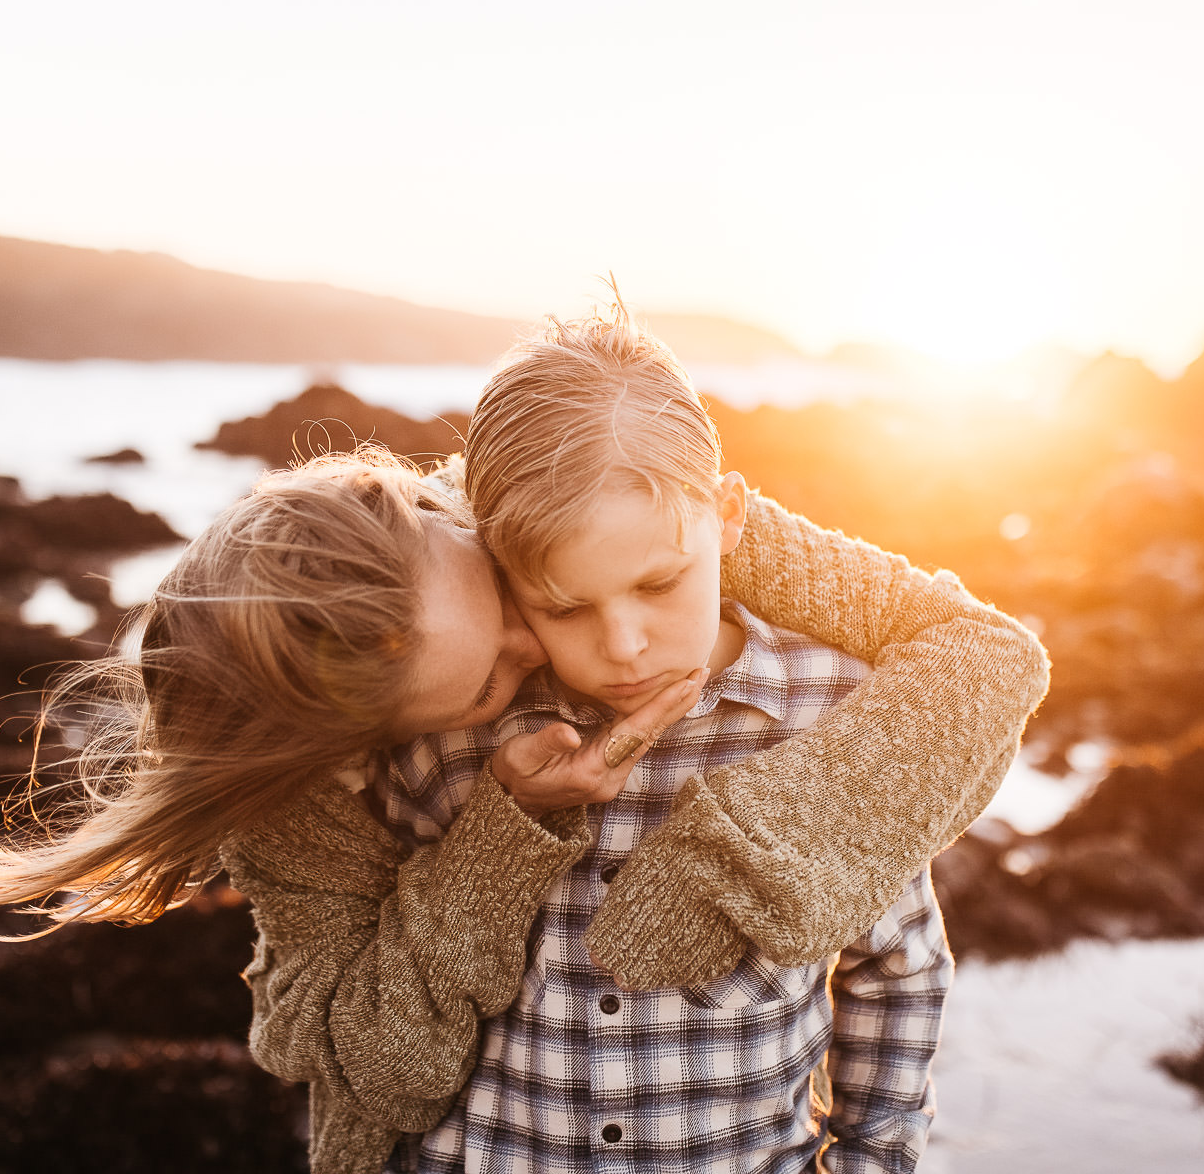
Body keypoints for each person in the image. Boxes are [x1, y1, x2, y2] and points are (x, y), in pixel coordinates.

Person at [0, 365, 1049, 1171]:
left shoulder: (621, 536)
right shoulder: (375, 778)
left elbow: (969, 664)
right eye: (517, 648)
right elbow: (376, 1068)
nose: (587, 653)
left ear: (457, 521)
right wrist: (501, 829)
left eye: (506, 605)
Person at [227, 310, 1050, 1172]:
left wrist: (872, 1159)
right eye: (563, 607)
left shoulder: (841, 713)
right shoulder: (453, 729)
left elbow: (896, 964)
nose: (621, 645)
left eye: (659, 584)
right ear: (500, 574)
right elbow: (368, 1022)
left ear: (727, 518)